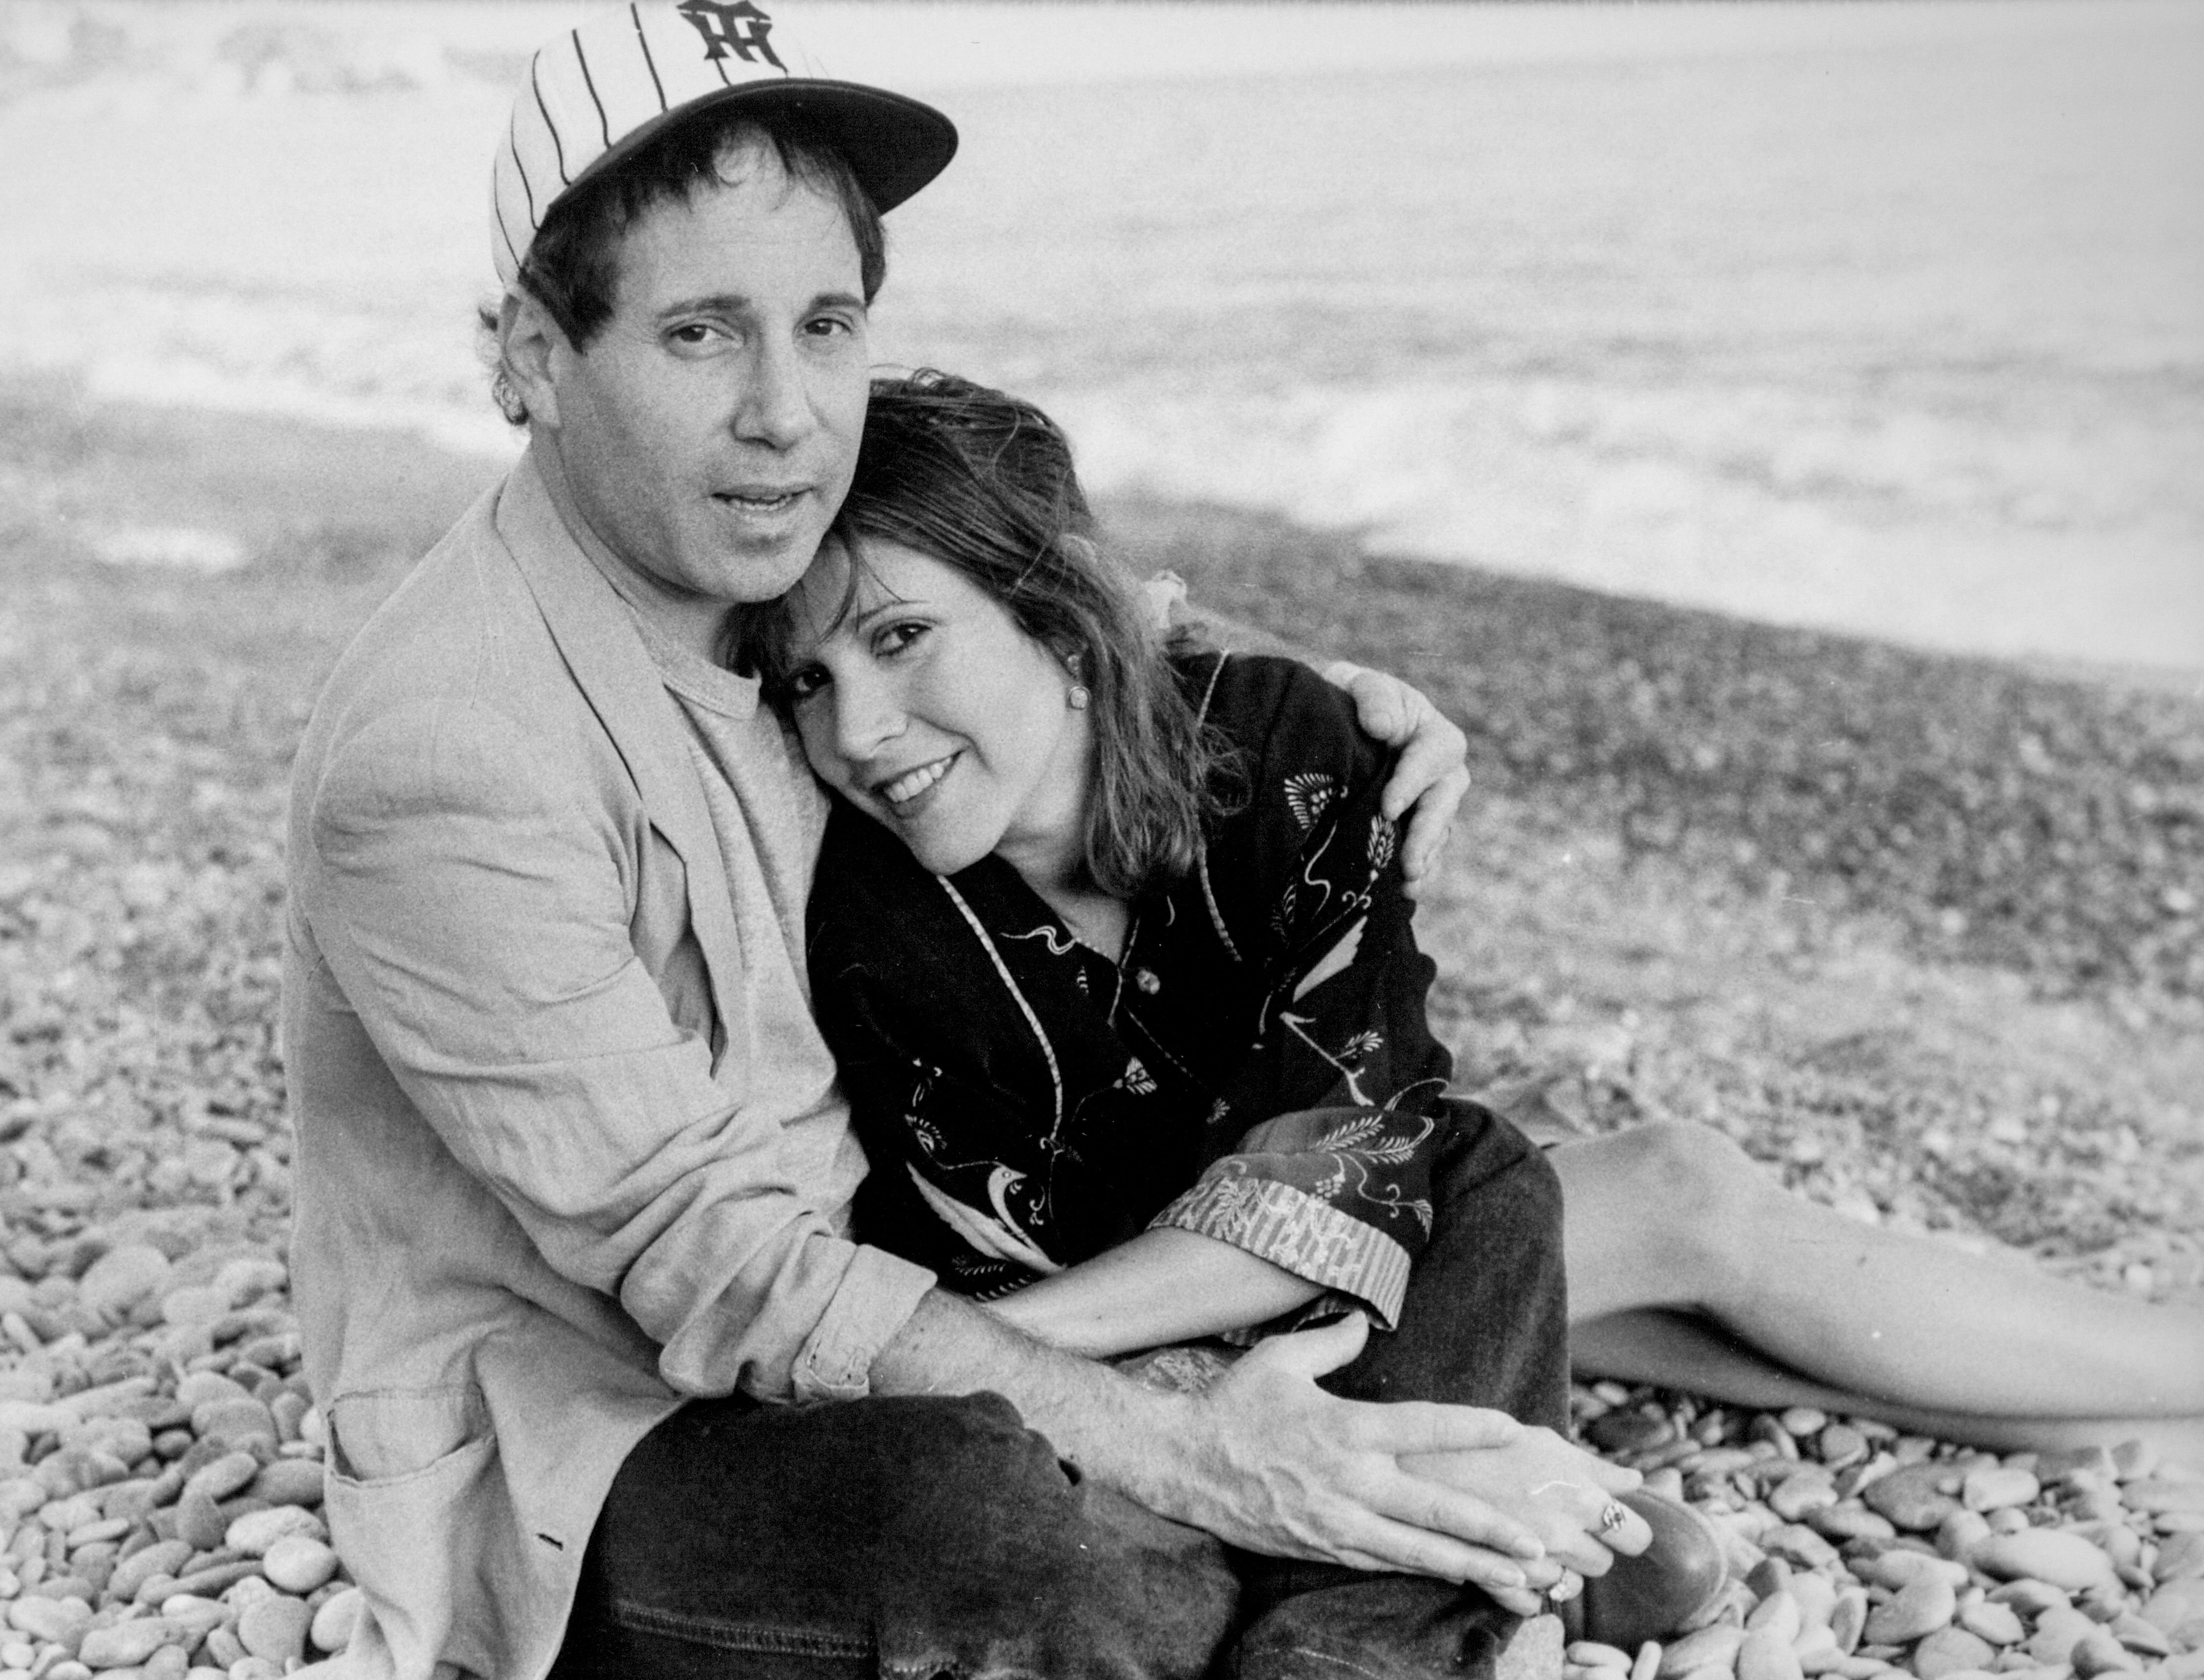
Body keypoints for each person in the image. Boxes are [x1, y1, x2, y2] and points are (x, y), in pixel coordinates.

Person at [282, 10, 1638, 1680]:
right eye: (701, 333)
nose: (787, 414)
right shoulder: (447, 756)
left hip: (918, 1301)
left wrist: (1330, 710)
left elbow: (1017, 611)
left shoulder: (752, 562)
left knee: (1474, 1177)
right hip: (629, 1422)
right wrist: (1179, 1436)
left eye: (826, 324)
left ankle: (1340, 1612)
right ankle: (1419, 1562)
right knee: (1000, 1516)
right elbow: (700, 1266)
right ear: (532, 359)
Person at [735, 370, 2204, 1517]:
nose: (854, 731)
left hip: (1245, 1282)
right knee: (1673, 1204)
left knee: (1658, 1223)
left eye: (901, 641)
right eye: (807, 676)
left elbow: (1342, 1145)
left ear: (1065, 620)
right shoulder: (836, 884)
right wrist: (974, 1369)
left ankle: (2171, 1382)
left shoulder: (1289, 756)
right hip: (1095, 1373)